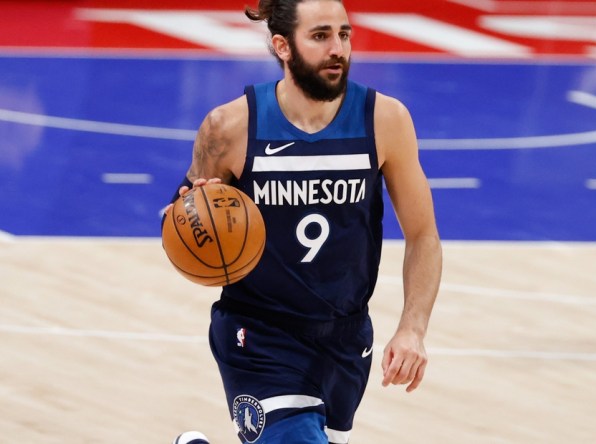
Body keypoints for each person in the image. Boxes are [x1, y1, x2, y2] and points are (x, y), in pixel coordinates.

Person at [165, 0, 442, 443]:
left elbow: (424, 235)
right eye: (320, 36)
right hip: (258, 334)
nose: (338, 49)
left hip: (347, 336)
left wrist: (413, 327)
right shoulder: (230, 127)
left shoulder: (384, 120)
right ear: (283, 46)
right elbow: (180, 223)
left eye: (344, 34)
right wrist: (184, 216)